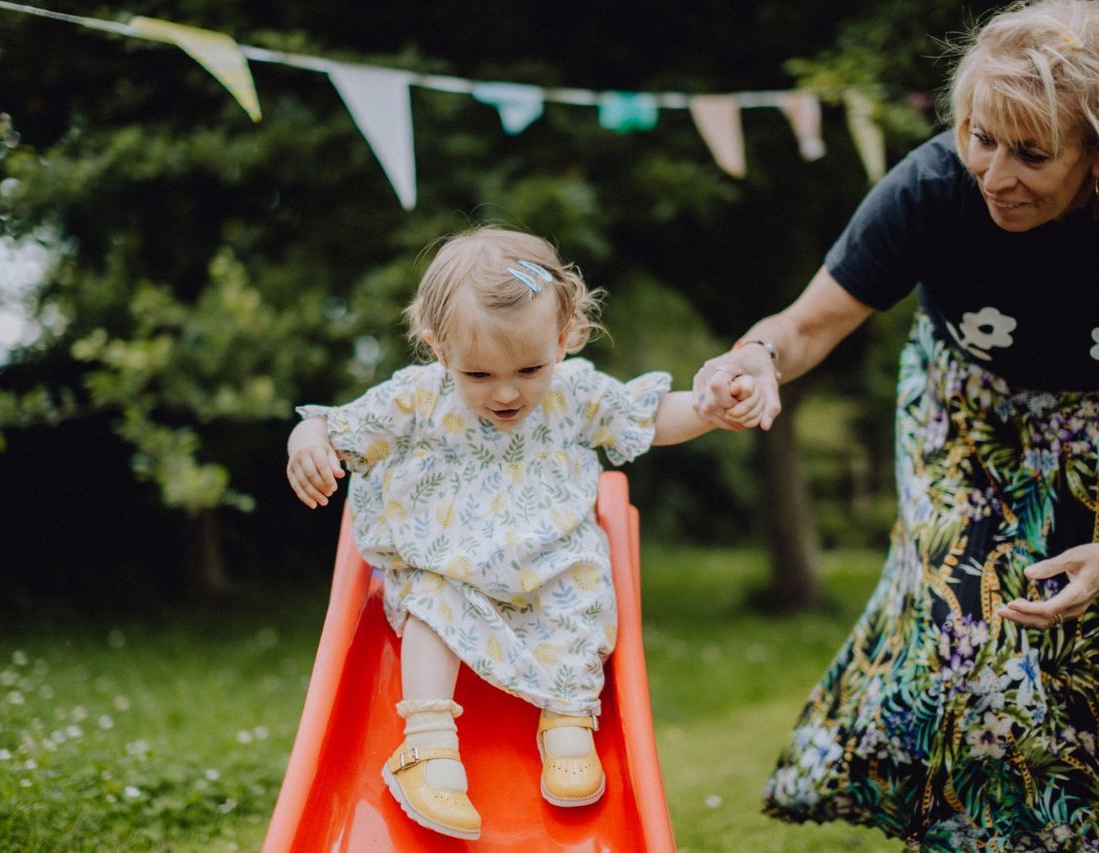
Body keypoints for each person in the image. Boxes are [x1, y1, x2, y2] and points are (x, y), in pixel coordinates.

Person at [694, 0, 1099, 847]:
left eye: (1032, 153)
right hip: (966, 412)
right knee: (974, 633)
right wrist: (752, 357)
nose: (993, 175)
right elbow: (806, 326)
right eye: (979, 136)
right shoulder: (932, 189)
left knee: (1097, 648)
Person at [287, 225, 764, 840]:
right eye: (479, 375)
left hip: (549, 565)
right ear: (438, 348)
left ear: (564, 339)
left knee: (584, 597)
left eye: (529, 368)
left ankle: (567, 717)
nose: (507, 392)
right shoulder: (417, 400)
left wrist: (706, 409)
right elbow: (334, 424)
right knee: (432, 603)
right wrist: (309, 443)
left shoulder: (574, 393)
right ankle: (428, 748)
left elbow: (647, 417)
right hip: (453, 563)